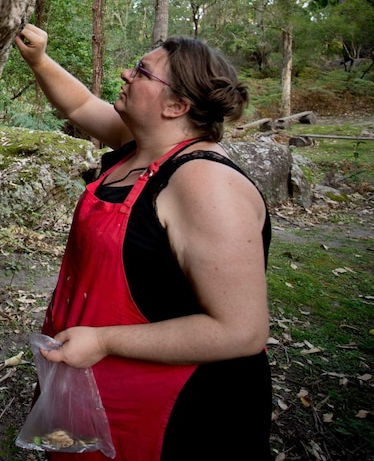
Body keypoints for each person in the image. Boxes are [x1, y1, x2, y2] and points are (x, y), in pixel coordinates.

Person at [14, 24, 273, 461]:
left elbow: (242, 331)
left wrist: (105, 341)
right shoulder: (140, 145)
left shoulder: (205, 184)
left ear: (176, 105)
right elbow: (79, 103)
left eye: (141, 71)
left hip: (184, 414)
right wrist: (38, 59)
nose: (126, 75)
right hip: (95, 380)